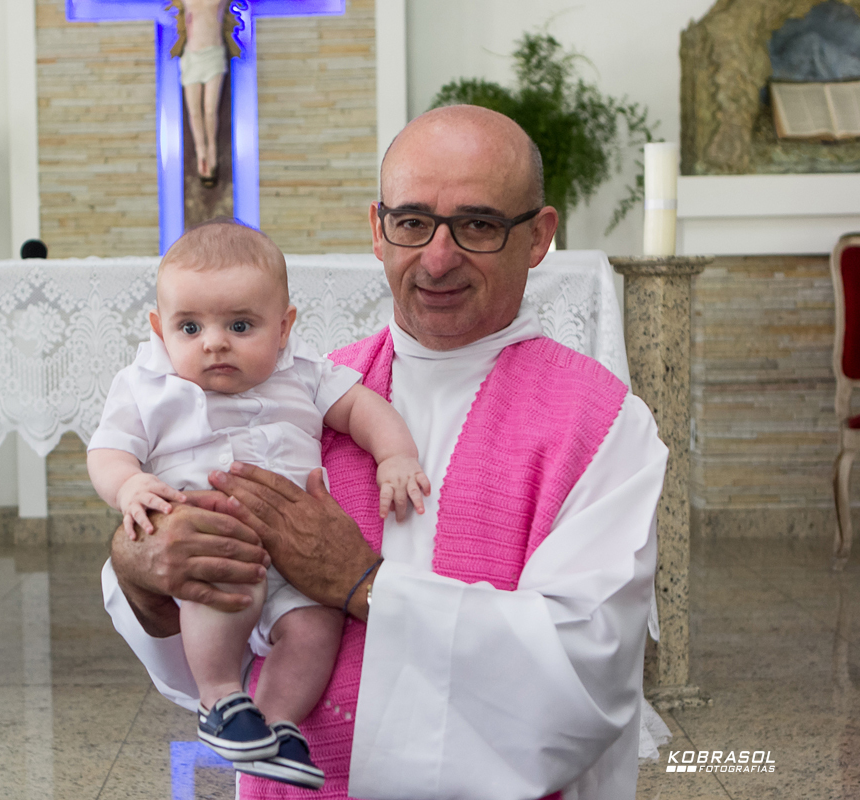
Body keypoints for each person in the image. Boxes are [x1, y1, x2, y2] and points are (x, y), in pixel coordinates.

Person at [102, 105, 668, 800]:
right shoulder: (290, 395)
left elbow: (586, 664)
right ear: (378, 230)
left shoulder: (601, 422)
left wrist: (367, 584)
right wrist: (139, 573)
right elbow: (202, 649)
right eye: (411, 222)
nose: (437, 257)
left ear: (539, 237)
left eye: (479, 225)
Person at [87, 221, 429, 790]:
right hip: (212, 545)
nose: (214, 342)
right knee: (224, 590)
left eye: (240, 325)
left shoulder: (305, 373)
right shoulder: (147, 384)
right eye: (189, 327)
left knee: (316, 622)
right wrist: (128, 487)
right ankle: (221, 699)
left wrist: (395, 456)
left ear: (284, 327)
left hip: (297, 558)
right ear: (158, 329)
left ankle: (276, 723)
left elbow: (364, 409)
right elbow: (107, 451)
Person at [170, 0, 236, 186]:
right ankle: (201, 153)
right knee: (194, 111)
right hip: (192, 56)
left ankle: (212, 151)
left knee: (209, 109)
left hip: (213, 54)